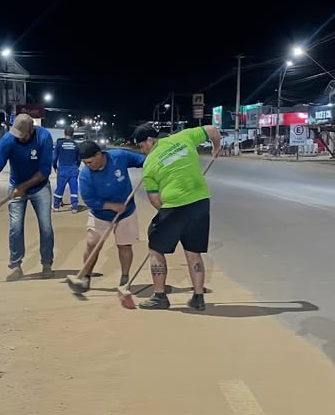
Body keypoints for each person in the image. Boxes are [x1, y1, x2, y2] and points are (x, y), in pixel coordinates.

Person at [133, 122, 221, 311]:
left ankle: (159, 297)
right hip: (200, 202)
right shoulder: (183, 136)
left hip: (174, 206)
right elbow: (213, 130)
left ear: (150, 140)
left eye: (142, 146)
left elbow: (155, 199)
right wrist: (216, 148)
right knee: (192, 251)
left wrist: (168, 218)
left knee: (156, 249)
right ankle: (198, 297)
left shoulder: (149, 164)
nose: (143, 151)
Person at [0, 114, 55, 280]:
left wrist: (23, 187)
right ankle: (15, 265)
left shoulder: (44, 137)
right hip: (15, 186)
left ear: (31, 131)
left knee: (46, 227)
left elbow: (45, 172)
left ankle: (46, 263)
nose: (18, 138)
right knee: (15, 227)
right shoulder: (8, 140)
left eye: (21, 136)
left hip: (40, 187)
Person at [75, 140, 146, 290]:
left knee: (124, 245)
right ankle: (86, 276)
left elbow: (143, 161)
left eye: (90, 161)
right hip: (100, 214)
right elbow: (89, 200)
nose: (88, 165)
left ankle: (124, 279)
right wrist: (111, 206)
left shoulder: (119, 156)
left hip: (127, 212)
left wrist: (150, 166)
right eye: (85, 163)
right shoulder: (85, 176)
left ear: (99, 154)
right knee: (92, 243)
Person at [53, 127, 82, 212]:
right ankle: (74, 207)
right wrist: (76, 166)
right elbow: (79, 159)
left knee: (60, 188)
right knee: (74, 189)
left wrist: (54, 166)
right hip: (73, 169)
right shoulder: (76, 145)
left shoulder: (59, 144)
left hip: (62, 169)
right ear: (72, 134)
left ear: (64, 133)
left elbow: (54, 157)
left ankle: (56, 206)